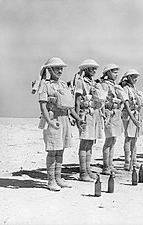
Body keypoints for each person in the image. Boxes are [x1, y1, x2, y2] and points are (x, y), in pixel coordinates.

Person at [38, 57, 80, 191]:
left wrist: (77, 118)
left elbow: (69, 105)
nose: (60, 70)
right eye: (57, 68)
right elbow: (43, 106)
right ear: (50, 69)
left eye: (61, 68)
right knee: (52, 151)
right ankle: (51, 181)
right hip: (53, 118)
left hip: (64, 118)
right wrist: (49, 122)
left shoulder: (63, 85)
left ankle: (58, 178)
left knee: (60, 150)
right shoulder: (45, 85)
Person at [73, 59, 105, 181]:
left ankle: (88, 169)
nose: (94, 71)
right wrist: (77, 118)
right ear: (86, 69)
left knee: (90, 143)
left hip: (94, 114)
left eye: (95, 69)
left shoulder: (94, 83)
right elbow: (77, 101)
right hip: (85, 114)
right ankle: (82, 172)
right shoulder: (81, 82)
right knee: (84, 143)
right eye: (92, 68)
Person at [100, 63, 127, 175]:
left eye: (117, 72)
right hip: (109, 113)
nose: (116, 74)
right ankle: (106, 166)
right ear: (108, 73)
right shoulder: (105, 85)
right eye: (114, 72)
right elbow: (104, 99)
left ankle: (110, 165)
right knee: (109, 140)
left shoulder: (114, 85)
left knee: (113, 140)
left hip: (116, 113)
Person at [119, 69, 143, 171]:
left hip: (136, 113)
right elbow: (125, 103)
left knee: (135, 138)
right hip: (128, 115)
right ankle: (126, 161)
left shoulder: (134, 89)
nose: (135, 79)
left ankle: (133, 160)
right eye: (134, 77)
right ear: (129, 78)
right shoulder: (125, 89)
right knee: (128, 138)